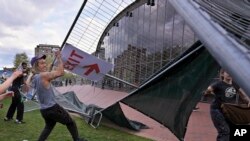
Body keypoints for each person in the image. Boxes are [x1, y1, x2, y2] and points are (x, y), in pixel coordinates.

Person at [26, 52, 87, 141]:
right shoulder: (43, 75)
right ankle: (77, 140)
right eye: (42, 63)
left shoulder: (35, 78)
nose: (45, 64)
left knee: (48, 127)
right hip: (52, 108)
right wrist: (59, 58)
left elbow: (32, 83)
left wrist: (40, 71)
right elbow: (61, 72)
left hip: (44, 110)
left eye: (44, 62)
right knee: (71, 122)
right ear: (36, 66)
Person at [204, 70, 250, 141]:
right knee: (225, 131)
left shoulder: (235, 84)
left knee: (231, 131)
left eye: (231, 72)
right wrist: (209, 92)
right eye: (227, 72)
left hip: (228, 111)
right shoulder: (218, 84)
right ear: (222, 74)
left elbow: (243, 95)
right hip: (217, 110)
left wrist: (248, 101)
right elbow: (207, 91)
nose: (229, 74)